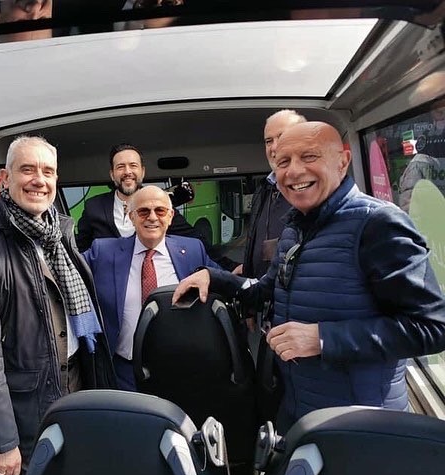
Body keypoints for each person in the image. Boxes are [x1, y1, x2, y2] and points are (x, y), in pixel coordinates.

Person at [173, 121, 445, 432]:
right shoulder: (295, 229)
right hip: (297, 410)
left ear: (342, 161)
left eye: (309, 156)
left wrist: (322, 338)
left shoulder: (378, 224)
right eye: (283, 162)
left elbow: (432, 328)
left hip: (361, 423)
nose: (293, 171)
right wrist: (213, 277)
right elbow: (265, 291)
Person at [0, 135, 115, 475]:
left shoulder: (59, 234)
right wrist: (3, 442)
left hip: (72, 385)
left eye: (48, 172)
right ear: (5, 179)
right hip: (23, 410)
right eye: (27, 170)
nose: (39, 180)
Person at [84, 185, 221, 390]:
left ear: (171, 216)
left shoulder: (193, 250)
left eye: (160, 211)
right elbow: (68, 271)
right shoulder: (103, 252)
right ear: (131, 217)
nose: (152, 217)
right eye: (143, 211)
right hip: (123, 373)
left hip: (179, 369)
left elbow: (220, 280)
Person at [75, 143, 210, 253]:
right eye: (120, 167)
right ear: (112, 174)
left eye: (133, 166)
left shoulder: (161, 206)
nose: (127, 172)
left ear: (143, 172)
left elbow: (198, 242)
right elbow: (78, 251)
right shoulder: (93, 207)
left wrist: (219, 271)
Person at [235, 109, 306, 278]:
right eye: (269, 141)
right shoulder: (264, 189)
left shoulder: (315, 192)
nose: (274, 147)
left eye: (282, 137)